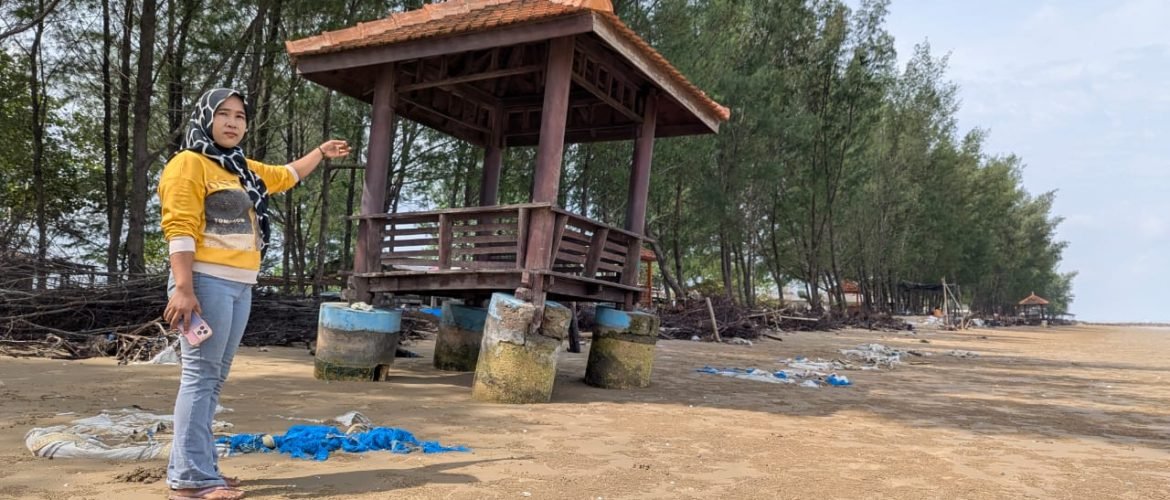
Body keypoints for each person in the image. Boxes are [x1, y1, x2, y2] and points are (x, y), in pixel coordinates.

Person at [159, 88, 349, 500]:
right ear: (206, 118)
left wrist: (320, 150)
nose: (232, 123)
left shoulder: (241, 169)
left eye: (240, 117)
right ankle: (191, 480)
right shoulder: (188, 164)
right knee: (200, 378)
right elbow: (179, 228)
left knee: (214, 379)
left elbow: (286, 174)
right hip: (204, 282)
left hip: (240, 285)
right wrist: (185, 289)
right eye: (223, 114)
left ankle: (197, 468)